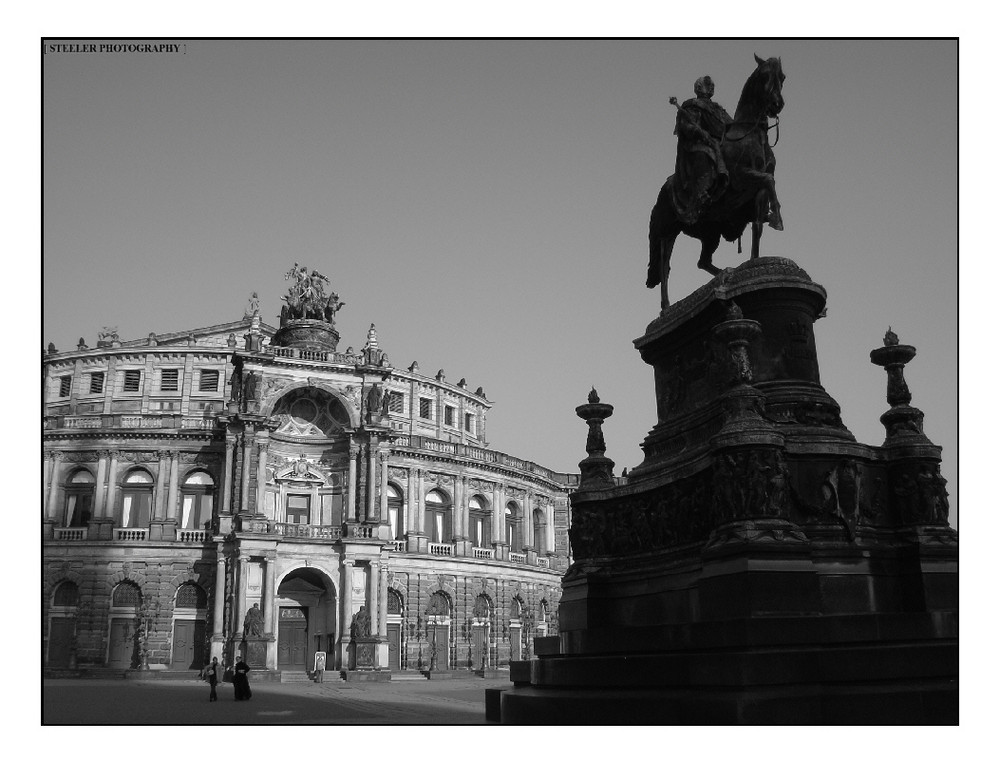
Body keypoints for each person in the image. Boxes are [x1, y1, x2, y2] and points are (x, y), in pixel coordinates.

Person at [671, 76, 733, 225]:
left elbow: (731, 124)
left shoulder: (717, 108)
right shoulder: (691, 105)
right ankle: (699, 195)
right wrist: (700, 133)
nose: (711, 87)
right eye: (707, 85)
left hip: (718, 142)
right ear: (699, 88)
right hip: (698, 143)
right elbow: (686, 126)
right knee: (704, 154)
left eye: (712, 85)